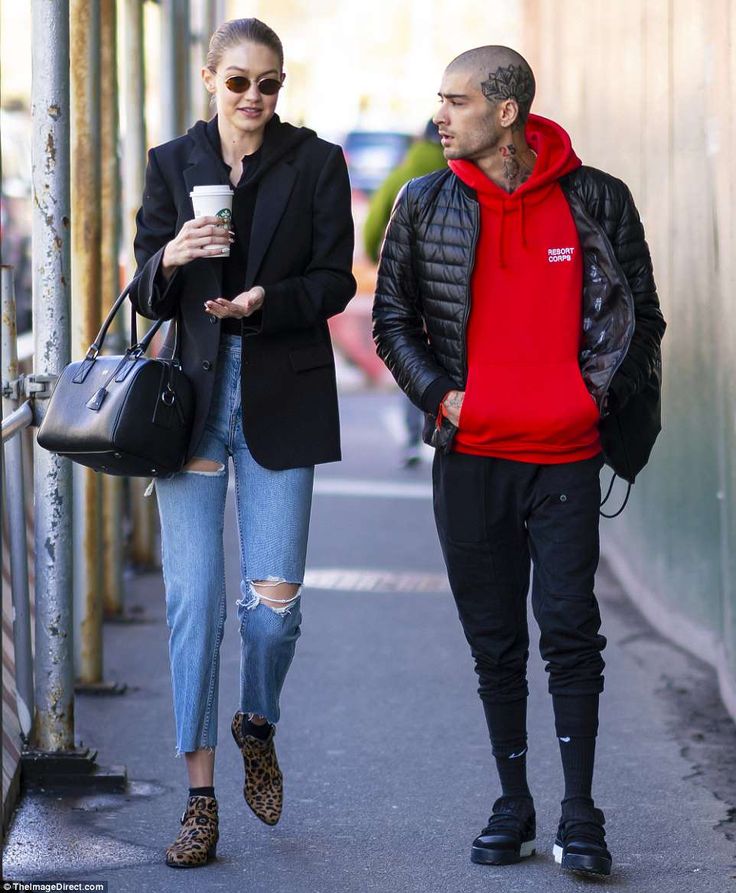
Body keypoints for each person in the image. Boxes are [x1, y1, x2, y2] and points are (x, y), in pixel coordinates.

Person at [373, 46, 665, 878]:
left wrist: (592, 401)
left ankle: (580, 812)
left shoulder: (596, 199)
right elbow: (392, 319)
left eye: (456, 101)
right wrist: (442, 396)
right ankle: (515, 803)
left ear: (506, 113)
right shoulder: (424, 203)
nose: (440, 115)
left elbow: (641, 315)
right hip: (471, 459)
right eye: (440, 100)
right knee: (494, 641)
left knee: (571, 633)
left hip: (566, 459)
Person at [128, 17, 355, 869]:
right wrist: (176, 255)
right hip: (189, 404)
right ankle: (198, 800)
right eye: (239, 83)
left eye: (269, 84)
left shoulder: (316, 161)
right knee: (192, 607)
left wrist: (268, 300)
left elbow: (336, 279)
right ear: (209, 78)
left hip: (281, 397)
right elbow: (145, 292)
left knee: (273, 610)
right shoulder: (169, 164)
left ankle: (257, 719)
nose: (255, 98)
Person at [363, 120, 445, 467]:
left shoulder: (404, 175)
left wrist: (374, 256)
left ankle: (414, 436)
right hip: (454, 285)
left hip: (409, 283)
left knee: (411, 351)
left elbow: (373, 223)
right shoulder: (465, 172)